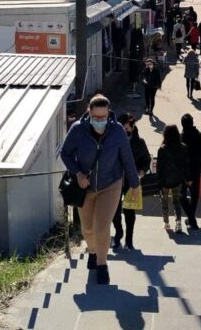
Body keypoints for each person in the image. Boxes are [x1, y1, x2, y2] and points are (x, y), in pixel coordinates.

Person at [59, 94, 140, 285]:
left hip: (111, 184)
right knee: (87, 228)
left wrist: (135, 185)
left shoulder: (117, 131)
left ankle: (102, 265)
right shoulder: (78, 129)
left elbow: (127, 159)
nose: (100, 121)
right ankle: (93, 252)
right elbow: (65, 153)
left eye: (103, 117)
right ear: (89, 112)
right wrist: (78, 173)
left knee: (101, 226)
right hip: (85, 187)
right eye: (96, 118)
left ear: (108, 114)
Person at [112, 114, 152, 250]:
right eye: (122, 128)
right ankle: (118, 234)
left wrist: (141, 171)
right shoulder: (113, 140)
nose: (125, 130)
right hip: (115, 180)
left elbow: (146, 159)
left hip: (131, 181)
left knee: (129, 210)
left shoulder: (139, 142)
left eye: (127, 128)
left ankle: (129, 239)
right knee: (114, 210)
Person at [179, 113, 201, 229]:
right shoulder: (200, 136)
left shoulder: (180, 138)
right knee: (194, 194)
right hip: (196, 170)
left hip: (183, 171)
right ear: (193, 122)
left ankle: (191, 218)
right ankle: (192, 218)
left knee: (181, 194)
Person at [157, 124, 189, 233]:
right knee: (176, 201)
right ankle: (178, 222)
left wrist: (159, 182)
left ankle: (166, 223)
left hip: (165, 180)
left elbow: (159, 167)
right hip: (178, 179)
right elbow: (186, 165)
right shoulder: (183, 147)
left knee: (164, 201)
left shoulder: (162, 149)